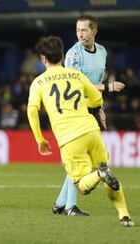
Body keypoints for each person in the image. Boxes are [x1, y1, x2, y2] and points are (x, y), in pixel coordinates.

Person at [27, 35, 133, 227]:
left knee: (82, 186)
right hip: (91, 130)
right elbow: (96, 100)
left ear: (43, 59)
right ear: (61, 55)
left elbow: (32, 110)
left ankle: (98, 176)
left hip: (70, 138)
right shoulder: (76, 75)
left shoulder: (39, 82)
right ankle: (124, 216)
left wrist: (40, 139)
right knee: (106, 169)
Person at [52, 15, 126, 216]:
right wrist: (107, 87)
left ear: (95, 31)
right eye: (77, 30)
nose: (80, 34)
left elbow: (95, 86)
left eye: (84, 30)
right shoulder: (73, 54)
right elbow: (76, 85)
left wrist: (99, 106)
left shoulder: (101, 52)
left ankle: (61, 204)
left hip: (89, 108)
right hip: (74, 109)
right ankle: (69, 206)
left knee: (81, 159)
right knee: (81, 159)